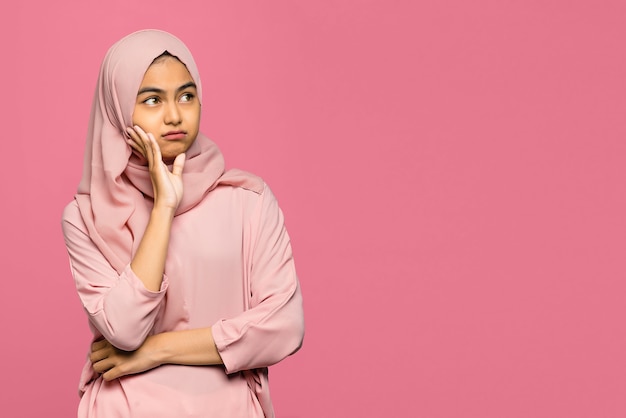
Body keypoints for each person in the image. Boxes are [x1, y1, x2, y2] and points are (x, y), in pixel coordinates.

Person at [61, 29, 304, 418]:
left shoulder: (248, 200)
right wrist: (164, 208)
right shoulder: (87, 217)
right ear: (119, 108)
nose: (175, 115)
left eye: (186, 96)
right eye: (152, 100)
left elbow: (285, 327)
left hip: (227, 409)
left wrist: (155, 351)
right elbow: (123, 329)